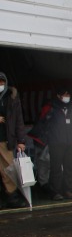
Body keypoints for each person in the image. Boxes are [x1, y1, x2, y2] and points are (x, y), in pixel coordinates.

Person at [45, 87, 72, 200]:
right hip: (56, 142)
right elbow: (44, 124)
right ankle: (55, 192)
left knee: (69, 167)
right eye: (64, 94)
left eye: (68, 94)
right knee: (56, 168)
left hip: (70, 142)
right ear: (58, 96)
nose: (67, 97)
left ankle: (68, 190)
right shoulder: (51, 107)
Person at [0, 72, 29, 209]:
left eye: (1, 82)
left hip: (5, 139)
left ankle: (11, 195)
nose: (0, 85)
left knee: (8, 169)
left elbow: (18, 120)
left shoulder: (12, 98)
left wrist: (21, 140)